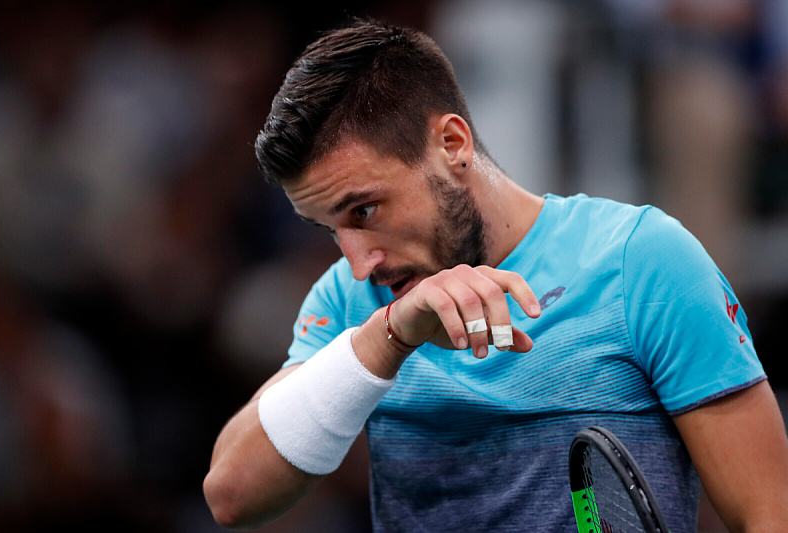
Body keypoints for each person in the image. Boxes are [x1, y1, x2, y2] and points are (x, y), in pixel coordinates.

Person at [203, 18, 788, 532]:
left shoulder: (644, 262)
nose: (359, 262)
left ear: (451, 144)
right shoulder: (353, 303)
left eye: (365, 211)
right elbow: (231, 495)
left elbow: (770, 514)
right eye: (329, 228)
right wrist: (387, 341)